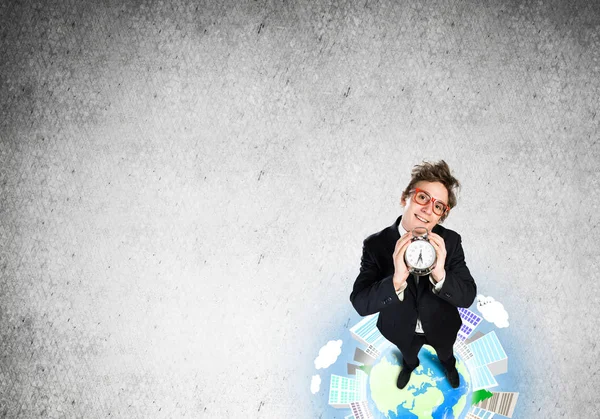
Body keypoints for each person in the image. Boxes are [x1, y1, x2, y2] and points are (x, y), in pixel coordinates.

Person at [349, 160, 477, 390]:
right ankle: (409, 365)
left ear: (441, 216)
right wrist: (396, 280)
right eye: (422, 197)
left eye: (439, 206)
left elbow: (467, 296)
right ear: (404, 198)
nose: (429, 209)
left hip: (441, 324)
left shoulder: (451, 241)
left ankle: (449, 366)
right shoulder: (375, 245)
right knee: (408, 355)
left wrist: (441, 274)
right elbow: (360, 302)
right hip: (400, 327)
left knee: (446, 354)